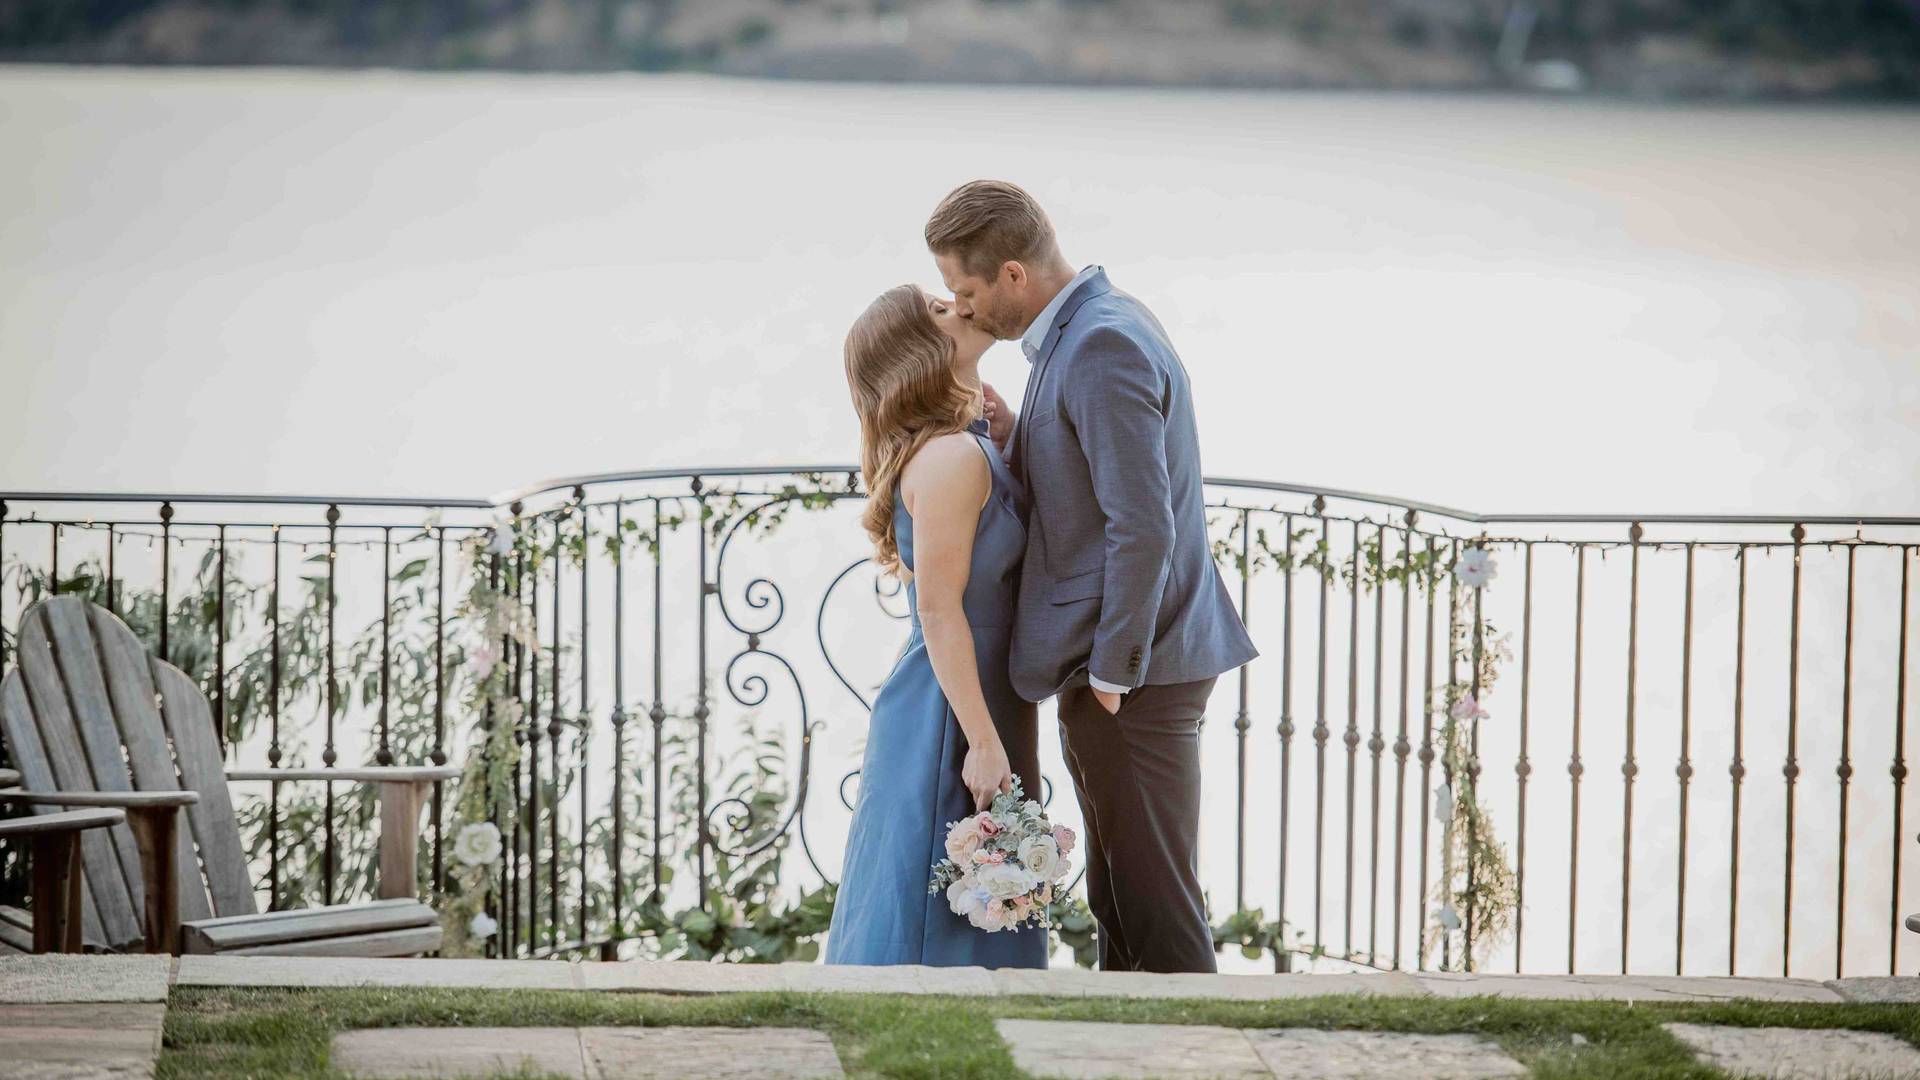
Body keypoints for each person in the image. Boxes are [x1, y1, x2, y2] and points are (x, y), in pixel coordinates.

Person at [924, 179, 1259, 973]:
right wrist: (1015, 435)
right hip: (1117, 667)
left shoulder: (1101, 342)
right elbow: (1093, 482)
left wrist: (1112, 671)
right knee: (1119, 894)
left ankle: (1197, 1055)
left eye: (966, 292)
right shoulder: (1088, 327)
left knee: (1157, 905)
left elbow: (1144, 527)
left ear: (1013, 274)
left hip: (1136, 673)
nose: (962, 311)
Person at [823, 282, 1047, 969]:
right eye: (938, 311)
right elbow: (939, 608)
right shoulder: (950, 458)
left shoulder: (971, 444)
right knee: (936, 914)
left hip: (976, 695)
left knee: (979, 893)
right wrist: (981, 741)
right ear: (920, 352)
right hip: (950, 711)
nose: (959, 303)